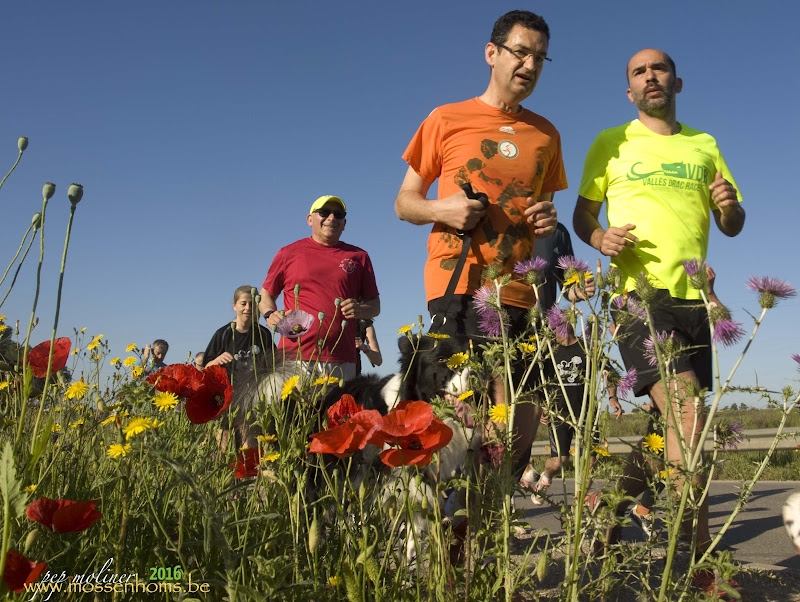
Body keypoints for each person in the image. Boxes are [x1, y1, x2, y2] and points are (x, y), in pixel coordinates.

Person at [573, 48, 745, 595]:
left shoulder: (705, 144)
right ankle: (695, 562)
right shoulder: (609, 142)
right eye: (639, 72)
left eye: (659, 69)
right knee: (689, 416)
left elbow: (734, 221)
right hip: (637, 298)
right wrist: (602, 239)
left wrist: (726, 206)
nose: (651, 77)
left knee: (666, 430)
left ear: (676, 81)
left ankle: (608, 516)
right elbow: (583, 218)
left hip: (696, 297)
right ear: (629, 90)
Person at [394, 10, 561, 466]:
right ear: (492, 53)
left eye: (541, 58)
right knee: (465, 427)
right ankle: (459, 529)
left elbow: (543, 212)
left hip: (521, 293)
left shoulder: (546, 134)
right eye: (521, 52)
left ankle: (488, 526)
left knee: (517, 429)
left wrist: (546, 217)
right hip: (460, 286)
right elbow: (404, 202)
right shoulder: (446, 119)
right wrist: (441, 209)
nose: (530, 65)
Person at [259, 196, 380, 382]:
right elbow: (266, 293)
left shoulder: (359, 257)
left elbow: (375, 305)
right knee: (296, 412)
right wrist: (269, 314)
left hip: (342, 359)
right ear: (310, 220)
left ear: (344, 223)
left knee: (339, 412)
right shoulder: (288, 253)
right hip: (295, 356)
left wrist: (360, 309)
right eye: (324, 213)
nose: (331, 218)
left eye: (338, 214)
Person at [202, 286, 276, 379]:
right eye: (243, 304)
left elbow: (274, 364)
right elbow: (205, 368)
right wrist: (216, 361)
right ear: (234, 306)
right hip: (230, 390)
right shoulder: (223, 334)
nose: (248, 308)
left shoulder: (263, 334)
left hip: (257, 389)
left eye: (252, 304)